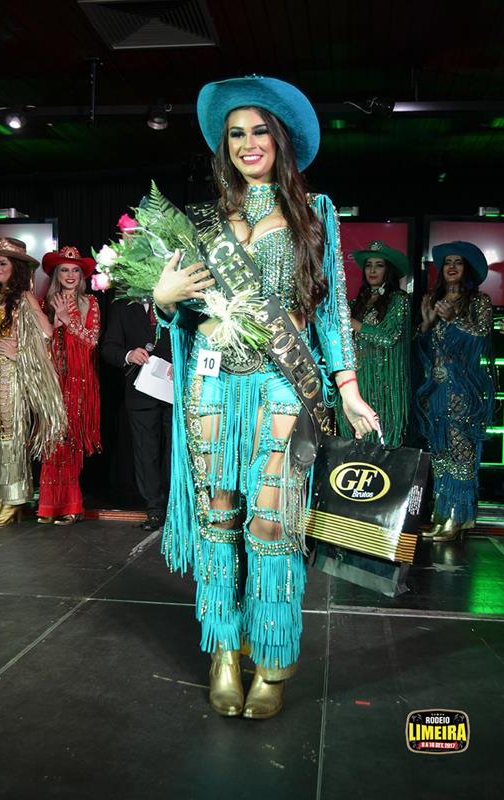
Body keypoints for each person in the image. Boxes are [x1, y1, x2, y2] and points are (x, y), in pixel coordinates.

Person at [151, 76, 379, 719]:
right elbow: (186, 309)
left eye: (259, 131)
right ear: (224, 146)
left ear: (280, 140)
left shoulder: (316, 212)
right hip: (212, 383)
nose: (248, 143)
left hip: (283, 383)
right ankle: (225, 650)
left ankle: (273, 656)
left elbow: (330, 310)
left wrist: (348, 388)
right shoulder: (204, 223)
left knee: (273, 522)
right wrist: (164, 301)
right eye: (236, 134)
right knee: (218, 517)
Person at [0, 237, 66, 528]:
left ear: (15, 267)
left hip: (11, 377)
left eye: (2, 263)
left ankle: (14, 499)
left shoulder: (24, 298)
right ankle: (0, 501)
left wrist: (20, 353)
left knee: (10, 436)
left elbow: (47, 333)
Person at [415, 240, 494, 542]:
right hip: (436, 389)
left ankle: (459, 517)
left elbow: (482, 336)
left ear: (467, 269)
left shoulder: (479, 302)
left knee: (461, 451)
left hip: (463, 389)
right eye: (447, 262)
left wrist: (453, 319)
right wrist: (426, 324)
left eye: (457, 262)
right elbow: (425, 347)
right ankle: (442, 515)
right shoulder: (435, 300)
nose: (451, 267)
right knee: (440, 452)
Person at [37, 246, 101, 525]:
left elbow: (92, 341)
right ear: (57, 274)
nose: (70, 275)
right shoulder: (45, 303)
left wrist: (69, 321)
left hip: (79, 381)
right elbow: (41, 344)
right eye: (64, 269)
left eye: (75, 270)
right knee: (52, 440)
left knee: (71, 440)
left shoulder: (91, 303)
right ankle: (50, 507)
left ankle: (72, 506)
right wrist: (55, 321)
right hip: (53, 379)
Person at [101, 297, 172, 532]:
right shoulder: (123, 306)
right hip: (140, 393)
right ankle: (155, 509)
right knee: (146, 452)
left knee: (174, 451)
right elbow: (109, 348)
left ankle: (175, 505)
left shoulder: (176, 302)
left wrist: (184, 364)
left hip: (175, 391)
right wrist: (129, 354)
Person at [337, 241, 411, 447]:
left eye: (379, 265)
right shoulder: (355, 303)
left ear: (388, 270)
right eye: (368, 265)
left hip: (383, 384)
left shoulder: (398, 299)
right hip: (356, 381)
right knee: (354, 443)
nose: (372, 270)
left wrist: (354, 324)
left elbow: (388, 338)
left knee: (381, 442)